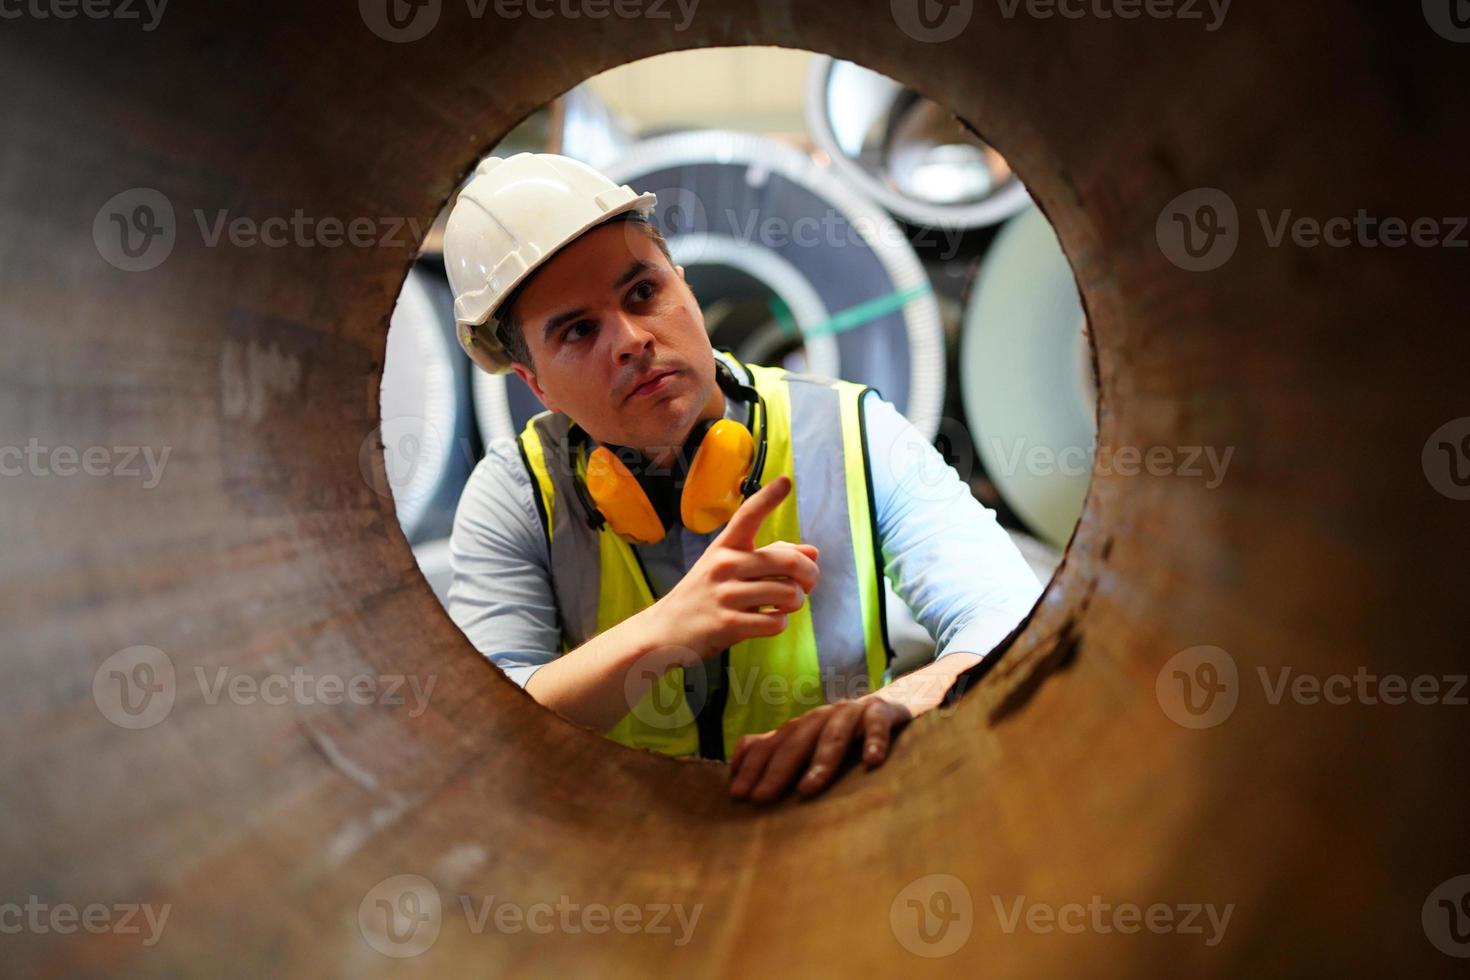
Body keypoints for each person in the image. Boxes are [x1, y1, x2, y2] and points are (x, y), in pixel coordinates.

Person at [441, 152, 1041, 803]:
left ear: (684, 285)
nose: (631, 339)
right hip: (629, 851)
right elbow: (489, 724)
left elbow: (1011, 617)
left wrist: (909, 696)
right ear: (535, 385)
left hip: (839, 816)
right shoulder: (517, 495)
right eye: (579, 331)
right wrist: (662, 633)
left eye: (644, 293)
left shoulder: (852, 433)